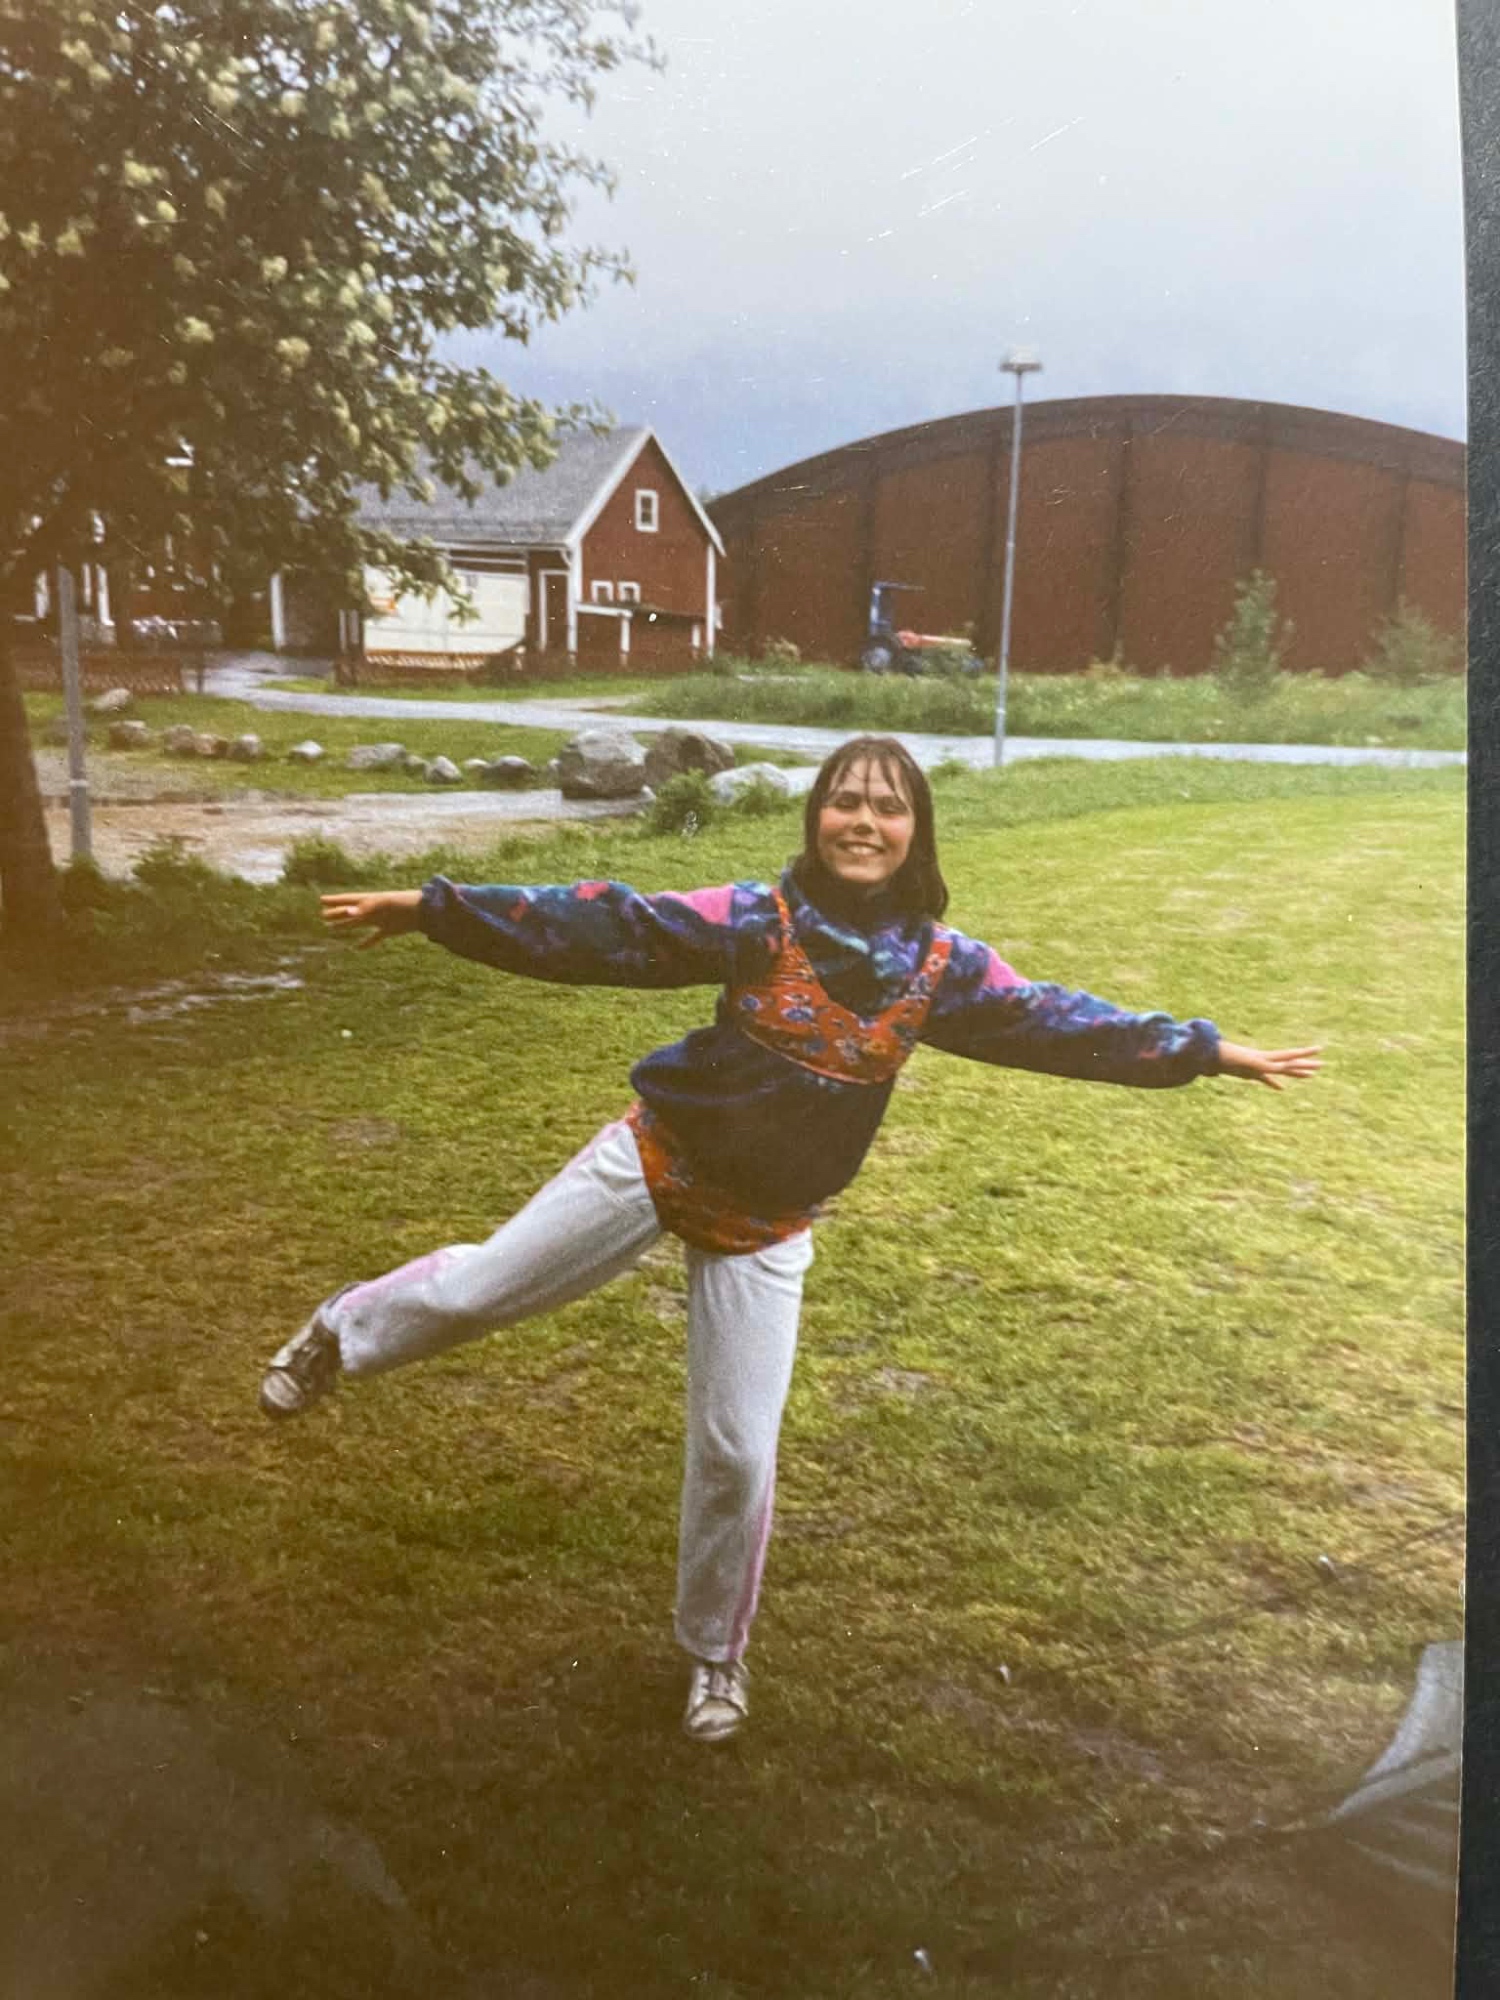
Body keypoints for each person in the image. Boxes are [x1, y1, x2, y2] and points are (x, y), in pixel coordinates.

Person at [259, 735, 1320, 1743]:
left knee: (737, 1453)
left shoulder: (942, 967)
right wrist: (434, 910)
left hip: (766, 1224)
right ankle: (341, 1332)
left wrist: (1207, 1050)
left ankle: (715, 1653)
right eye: (844, 800)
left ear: (916, 831)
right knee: (477, 1292)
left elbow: (1059, 1019)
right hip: (658, 1159)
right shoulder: (755, 918)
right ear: (816, 818)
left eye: (887, 806)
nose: (863, 820)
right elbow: (609, 924)